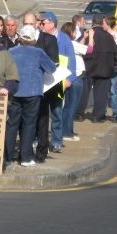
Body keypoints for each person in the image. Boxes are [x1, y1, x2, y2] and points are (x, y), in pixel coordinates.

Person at [6, 25, 56, 166]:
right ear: (34, 38)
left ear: (20, 37)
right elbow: (51, 68)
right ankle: (26, 157)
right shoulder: (38, 52)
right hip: (33, 92)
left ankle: (8, 156)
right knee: (29, 125)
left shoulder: (11, 51)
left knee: (12, 125)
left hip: (15, 91)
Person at [38, 12, 76, 154]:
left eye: (44, 23)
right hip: (43, 81)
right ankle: (39, 140)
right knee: (41, 113)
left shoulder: (64, 39)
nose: (41, 25)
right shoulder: (39, 37)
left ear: (52, 24)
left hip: (59, 82)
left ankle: (56, 141)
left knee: (57, 111)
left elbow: (71, 59)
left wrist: (69, 79)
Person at [79, 14, 117, 122]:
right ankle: (98, 116)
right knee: (101, 94)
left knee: (83, 92)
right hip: (104, 69)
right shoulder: (108, 36)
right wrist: (114, 65)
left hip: (88, 68)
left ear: (92, 23)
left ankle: (79, 114)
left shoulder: (88, 34)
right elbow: (116, 54)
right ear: (102, 23)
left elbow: (78, 48)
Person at [61, 22, 85, 141]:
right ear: (71, 33)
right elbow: (89, 50)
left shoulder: (68, 43)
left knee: (70, 106)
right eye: (75, 31)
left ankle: (69, 130)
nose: (76, 33)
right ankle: (66, 132)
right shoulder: (73, 44)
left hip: (73, 77)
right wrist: (88, 37)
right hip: (75, 77)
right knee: (71, 106)